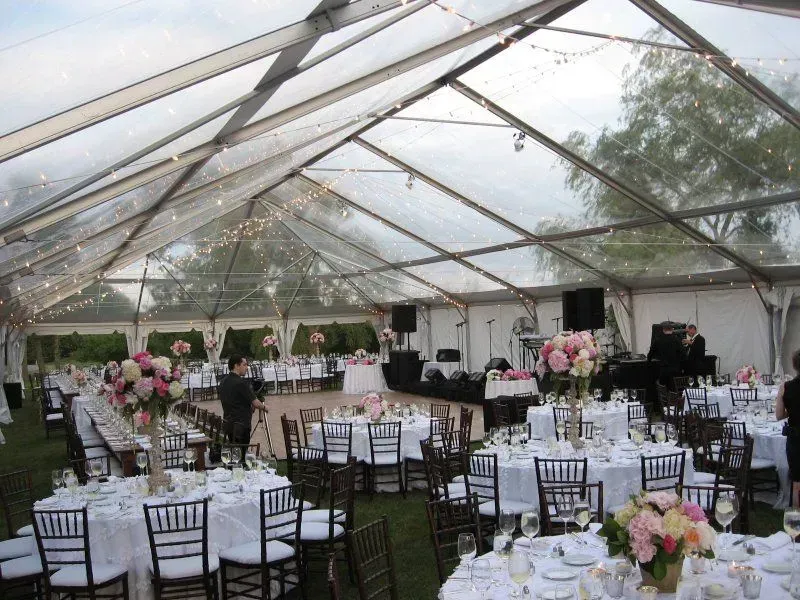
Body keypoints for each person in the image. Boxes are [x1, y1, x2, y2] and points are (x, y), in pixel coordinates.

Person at [219, 354, 266, 446]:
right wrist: (265, 407)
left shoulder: (223, 381)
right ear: (236, 365)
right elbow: (256, 403)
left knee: (235, 452)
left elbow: (236, 400)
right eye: (244, 365)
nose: (247, 367)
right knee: (241, 455)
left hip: (229, 423)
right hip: (241, 425)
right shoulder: (241, 383)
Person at [776, 350, 800, 505]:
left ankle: (797, 519)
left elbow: (779, 415)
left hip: (796, 438)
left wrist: (791, 410)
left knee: (797, 480)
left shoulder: (786, 387)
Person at [647, 321, 683, 387]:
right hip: (675, 370)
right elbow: (682, 354)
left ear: (663, 330)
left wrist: (649, 362)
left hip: (664, 370)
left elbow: (650, 354)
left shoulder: (658, 340)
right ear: (672, 330)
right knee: (675, 389)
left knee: (663, 390)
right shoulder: (677, 340)